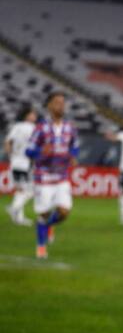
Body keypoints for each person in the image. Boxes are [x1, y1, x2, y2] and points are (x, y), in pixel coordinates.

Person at [25, 92, 78, 259]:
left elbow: (74, 146)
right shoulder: (41, 128)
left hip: (62, 177)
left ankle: (48, 226)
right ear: (49, 106)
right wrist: (41, 151)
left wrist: (72, 155)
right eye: (56, 102)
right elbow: (28, 150)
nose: (60, 105)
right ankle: (41, 246)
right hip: (44, 177)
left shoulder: (70, 127)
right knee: (44, 213)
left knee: (64, 212)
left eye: (62, 103)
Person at [4, 106, 37, 226]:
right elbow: (35, 147)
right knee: (31, 191)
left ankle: (18, 218)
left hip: (14, 162)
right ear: (27, 115)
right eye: (33, 114)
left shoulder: (16, 126)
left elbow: (7, 142)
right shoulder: (34, 128)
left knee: (20, 190)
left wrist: (11, 156)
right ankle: (14, 207)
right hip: (25, 163)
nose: (35, 116)